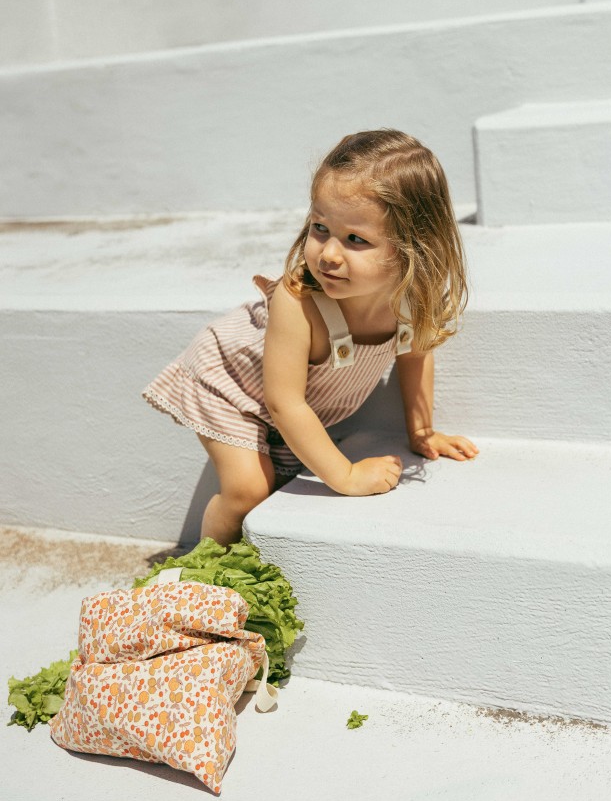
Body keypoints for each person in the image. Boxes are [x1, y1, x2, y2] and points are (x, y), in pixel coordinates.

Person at [143, 129, 479, 546]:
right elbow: (284, 402)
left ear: (413, 248)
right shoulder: (298, 301)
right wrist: (347, 476)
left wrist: (422, 431)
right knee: (248, 491)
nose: (328, 254)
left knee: (278, 483)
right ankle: (202, 570)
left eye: (356, 239)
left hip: (287, 409)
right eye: (320, 228)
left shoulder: (411, 301)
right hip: (230, 386)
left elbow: (415, 355)